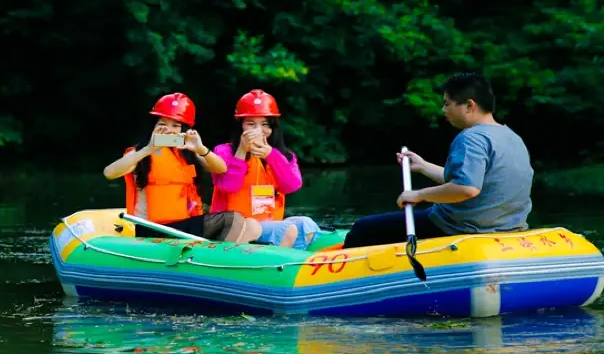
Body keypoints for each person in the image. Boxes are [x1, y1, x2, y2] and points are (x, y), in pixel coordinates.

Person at [342, 72, 534, 249]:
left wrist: (419, 195)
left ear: (469, 105)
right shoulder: (511, 137)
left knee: (362, 229)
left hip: (459, 227)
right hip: (505, 228)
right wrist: (424, 166)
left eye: (447, 104)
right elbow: (474, 182)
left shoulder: (471, 138)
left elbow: (467, 189)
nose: (443, 110)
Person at [104, 92, 262, 244]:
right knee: (232, 218)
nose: (169, 130)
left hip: (182, 226)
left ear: (183, 130)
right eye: (162, 124)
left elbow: (221, 168)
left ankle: (223, 260)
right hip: (153, 229)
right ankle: (221, 262)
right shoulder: (140, 153)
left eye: (175, 125)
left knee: (250, 225)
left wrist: (200, 149)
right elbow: (109, 173)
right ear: (153, 127)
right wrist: (148, 149)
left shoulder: (186, 152)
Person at [210, 89, 321, 249]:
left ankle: (289, 260)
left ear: (273, 128)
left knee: (307, 224)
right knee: (286, 229)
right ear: (240, 126)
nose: (258, 130)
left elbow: (292, 185)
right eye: (251, 124)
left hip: (268, 223)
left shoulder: (285, 155)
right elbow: (228, 186)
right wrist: (242, 151)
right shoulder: (223, 151)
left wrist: (271, 155)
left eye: (265, 125)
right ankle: (273, 261)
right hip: (236, 225)